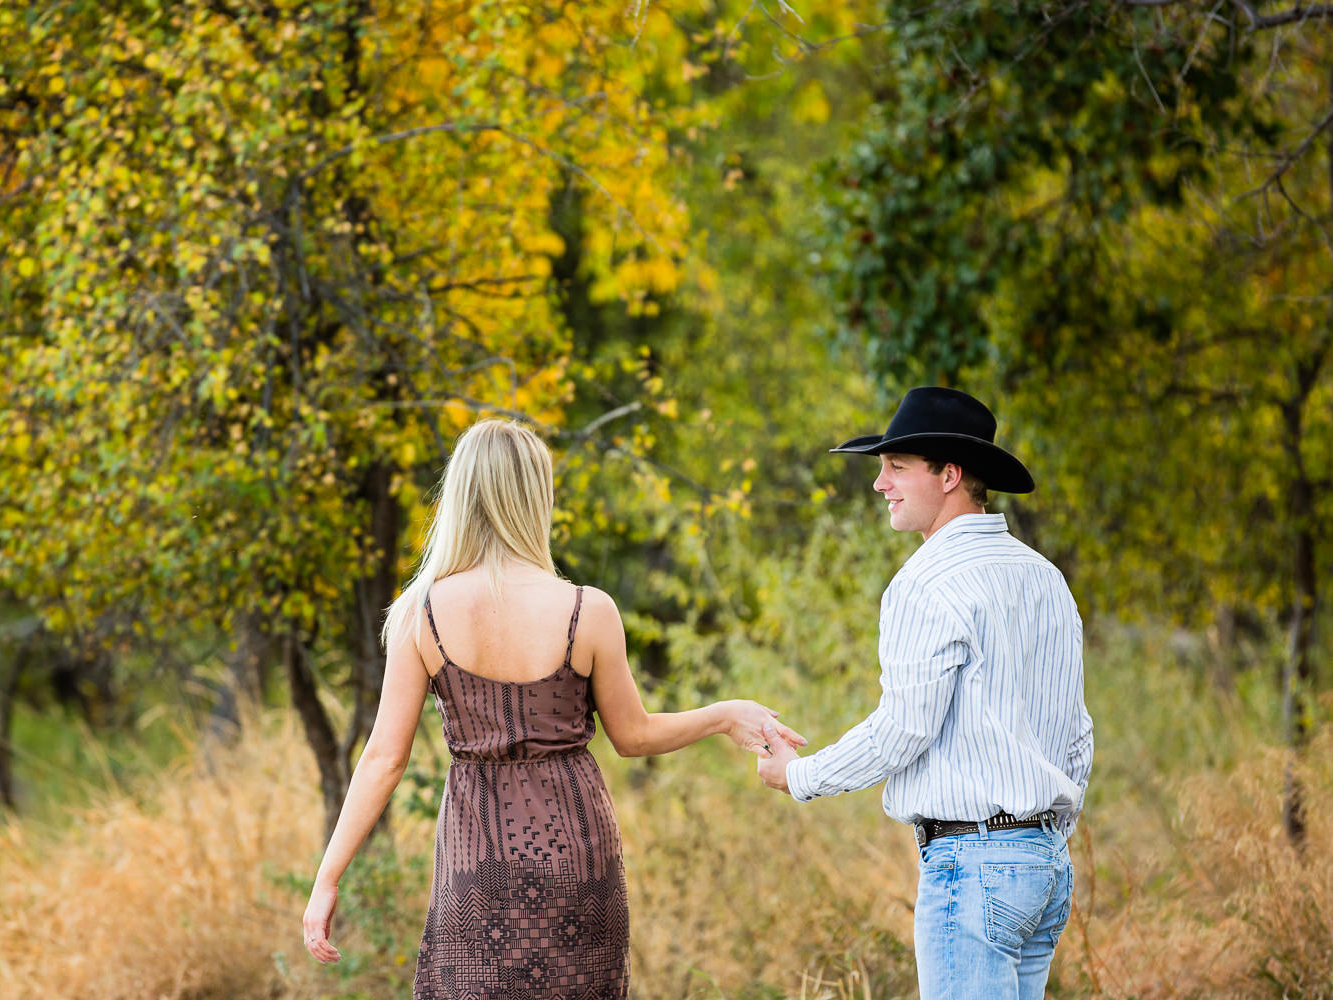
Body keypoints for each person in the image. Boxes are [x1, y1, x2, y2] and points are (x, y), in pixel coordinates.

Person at [301, 418, 806, 998]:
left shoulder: (423, 613)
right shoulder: (588, 610)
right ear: (535, 497)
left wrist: (328, 877)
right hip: (577, 857)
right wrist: (724, 713)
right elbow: (634, 736)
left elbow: (383, 759)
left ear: (461, 494)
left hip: (476, 856)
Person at [756, 386, 1093, 1000]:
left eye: (897, 467)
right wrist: (1045, 838)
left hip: (975, 865)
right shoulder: (1046, 578)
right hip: (1045, 865)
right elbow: (1077, 733)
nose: (880, 483)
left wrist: (799, 775)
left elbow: (903, 729)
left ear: (951, 476)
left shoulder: (924, 583)